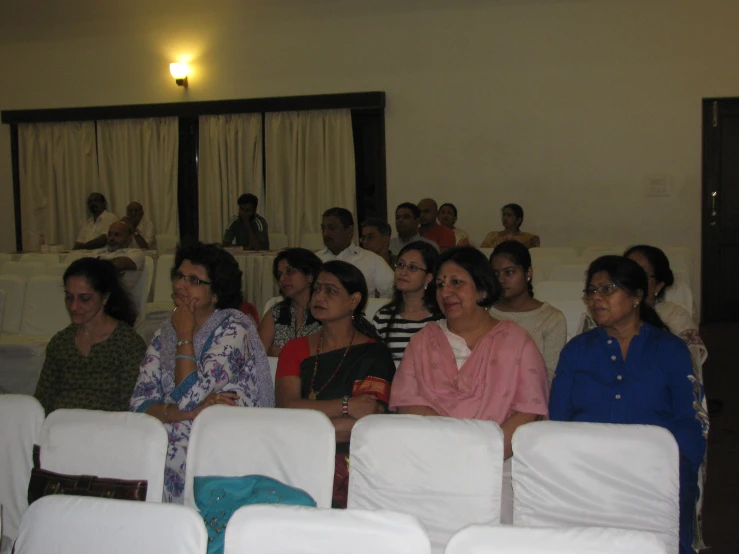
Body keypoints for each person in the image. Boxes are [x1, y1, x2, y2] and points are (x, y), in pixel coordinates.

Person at [549, 255, 708, 554]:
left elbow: (691, 423)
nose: (596, 298)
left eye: (607, 289)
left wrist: (663, 466)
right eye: (591, 292)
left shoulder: (670, 349)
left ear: (636, 296)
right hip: (589, 470)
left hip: (657, 471)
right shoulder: (576, 351)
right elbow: (558, 424)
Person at [129, 241, 275, 503]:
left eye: (194, 280)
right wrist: (180, 413)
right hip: (173, 432)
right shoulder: (166, 332)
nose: (180, 285)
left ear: (216, 292)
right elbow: (139, 402)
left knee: (167, 449)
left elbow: (190, 397)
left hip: (222, 442)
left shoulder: (234, 330)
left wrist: (185, 333)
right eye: (179, 276)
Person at [390, 246, 549, 460]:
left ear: (482, 289)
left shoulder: (516, 342)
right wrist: (452, 452)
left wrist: (483, 455)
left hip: (499, 462)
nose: (445, 292)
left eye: (456, 282)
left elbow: (528, 411)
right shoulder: (422, 342)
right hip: (431, 457)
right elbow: (409, 405)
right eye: (440, 284)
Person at [275, 261, 396, 508]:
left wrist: (304, 425)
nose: (319, 296)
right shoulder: (295, 349)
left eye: (330, 290)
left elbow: (363, 425)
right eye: (317, 289)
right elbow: (287, 407)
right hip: (297, 455)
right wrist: (346, 404)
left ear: (353, 301)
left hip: (357, 460)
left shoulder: (374, 353)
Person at [624, 244, 709, 552]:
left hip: (664, 417)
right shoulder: (606, 317)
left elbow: (688, 381)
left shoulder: (674, 318)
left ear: (659, 284)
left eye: (642, 275)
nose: (630, 280)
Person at [34, 258, 146, 415]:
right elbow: (42, 402)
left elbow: (130, 408)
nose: (73, 306)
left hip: (106, 432)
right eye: (69, 297)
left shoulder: (127, 344)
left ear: (105, 298)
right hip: (58, 431)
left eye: (84, 299)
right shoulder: (61, 343)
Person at [489, 241, 567, 381]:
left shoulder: (551, 318)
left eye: (509, 272)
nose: (501, 279)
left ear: (528, 273)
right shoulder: (485, 312)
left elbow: (550, 376)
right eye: (496, 274)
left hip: (532, 395)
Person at [373, 241, 442, 364]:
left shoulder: (441, 318)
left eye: (412, 267)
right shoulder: (383, 317)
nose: (403, 272)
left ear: (429, 277)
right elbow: (376, 364)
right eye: (400, 265)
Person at [317, 207, 394, 298]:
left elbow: (393, 293)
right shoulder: (314, 260)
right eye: (323, 228)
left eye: (332, 228)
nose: (326, 233)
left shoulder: (372, 260)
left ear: (349, 231)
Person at [258, 248, 323, 357]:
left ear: (310, 276)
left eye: (290, 271)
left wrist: (287, 354)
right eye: (279, 274)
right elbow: (256, 357)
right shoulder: (275, 313)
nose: (282, 279)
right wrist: (270, 352)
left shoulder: (326, 312)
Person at [93, 221, 146, 290]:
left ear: (129, 238)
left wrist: (95, 264)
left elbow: (117, 264)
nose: (111, 238)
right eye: (109, 234)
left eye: (117, 235)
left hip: (117, 295)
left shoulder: (135, 253)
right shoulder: (99, 252)